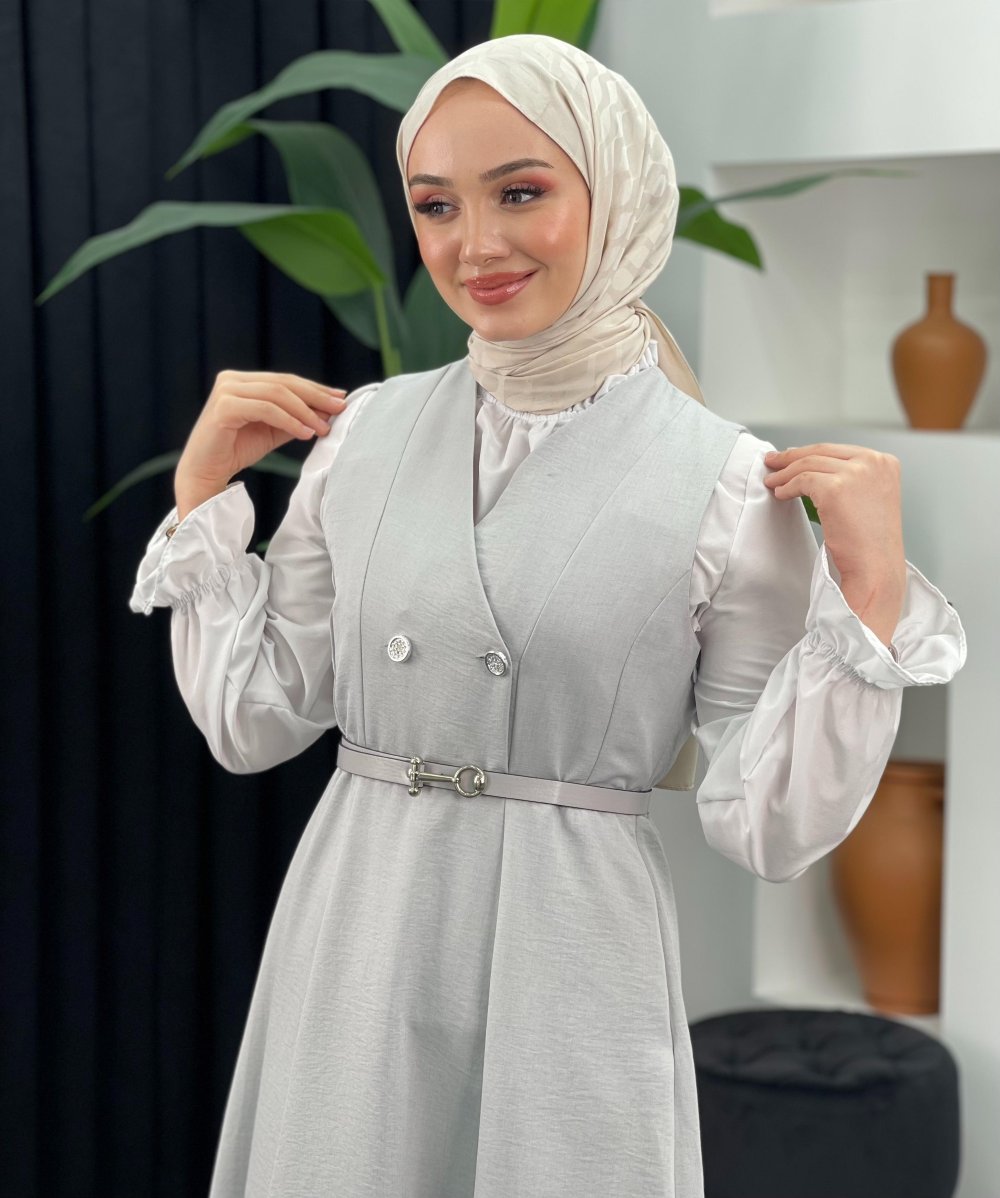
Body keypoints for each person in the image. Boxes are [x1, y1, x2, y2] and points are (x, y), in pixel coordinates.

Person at [129, 33, 965, 1198]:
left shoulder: (724, 479)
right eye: (435, 205)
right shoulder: (362, 436)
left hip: (571, 948)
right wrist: (201, 502)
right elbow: (253, 721)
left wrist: (867, 597)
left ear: (613, 191)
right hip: (360, 924)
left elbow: (764, 825)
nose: (474, 244)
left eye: (520, 192)